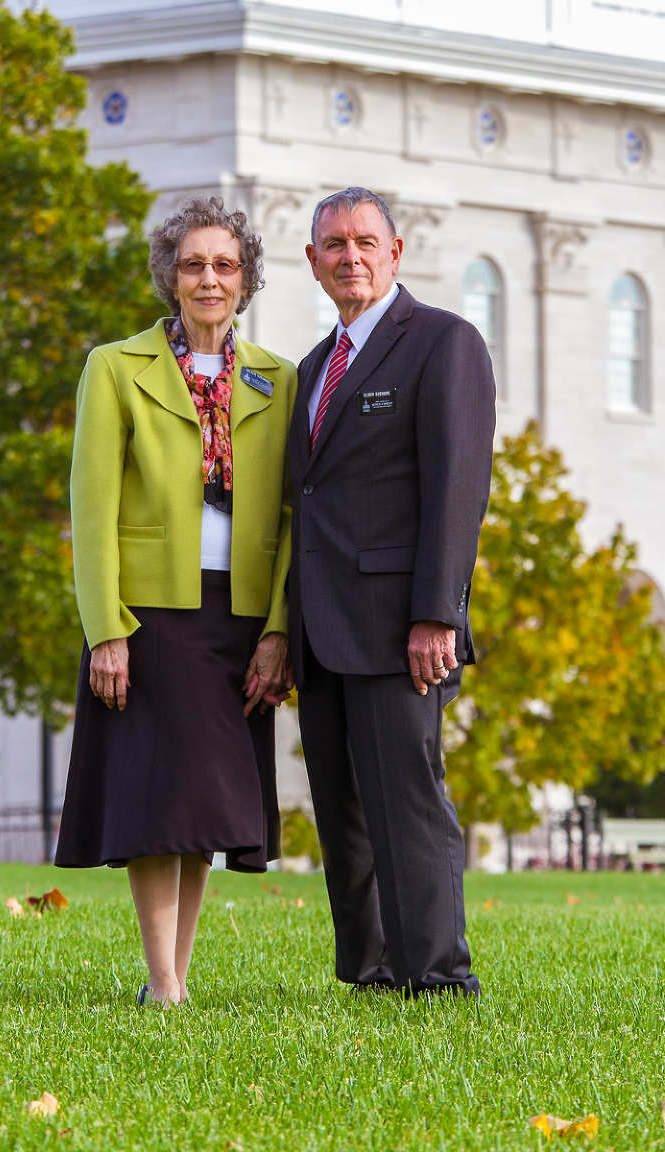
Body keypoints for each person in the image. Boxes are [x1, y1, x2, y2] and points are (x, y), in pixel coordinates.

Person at [56, 196, 296, 1007]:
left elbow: (295, 516)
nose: (209, 279)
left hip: (239, 620)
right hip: (149, 616)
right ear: (170, 275)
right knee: (157, 803)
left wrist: (278, 630)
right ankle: (163, 982)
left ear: (246, 279)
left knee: (201, 809)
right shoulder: (115, 367)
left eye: (225, 265)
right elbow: (91, 510)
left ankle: (176, 976)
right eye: (194, 264)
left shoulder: (278, 377)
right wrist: (106, 630)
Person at [288, 187, 495, 999]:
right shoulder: (311, 370)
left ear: (395, 251)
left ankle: (438, 975)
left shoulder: (443, 343)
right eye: (334, 246)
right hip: (320, 628)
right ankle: (370, 969)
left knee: (407, 803)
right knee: (341, 809)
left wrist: (436, 612)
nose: (351, 257)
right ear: (313, 262)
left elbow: (457, 489)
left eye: (365, 242)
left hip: (400, 626)